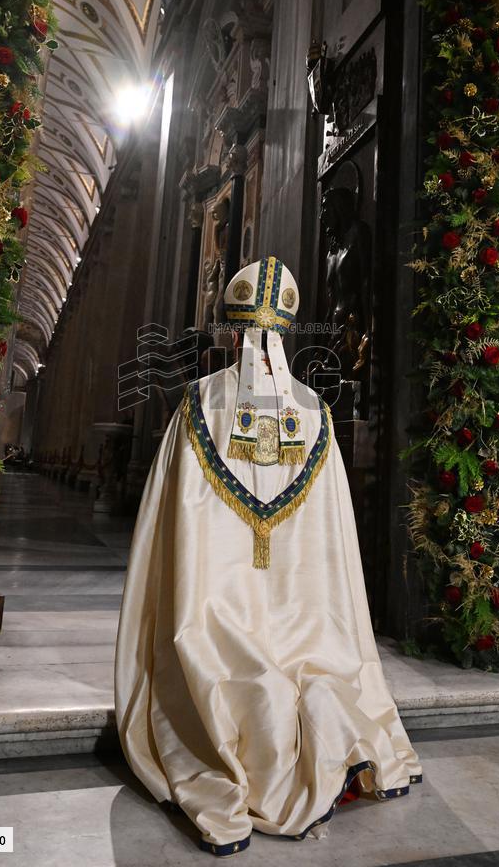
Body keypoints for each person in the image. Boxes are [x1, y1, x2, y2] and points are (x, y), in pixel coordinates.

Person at [114, 255, 422, 857]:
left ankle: (235, 720)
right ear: (283, 331)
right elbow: (331, 547)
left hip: (211, 620)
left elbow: (169, 523)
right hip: (309, 626)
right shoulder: (316, 415)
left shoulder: (198, 406)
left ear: (232, 330)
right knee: (321, 676)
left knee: (220, 654)